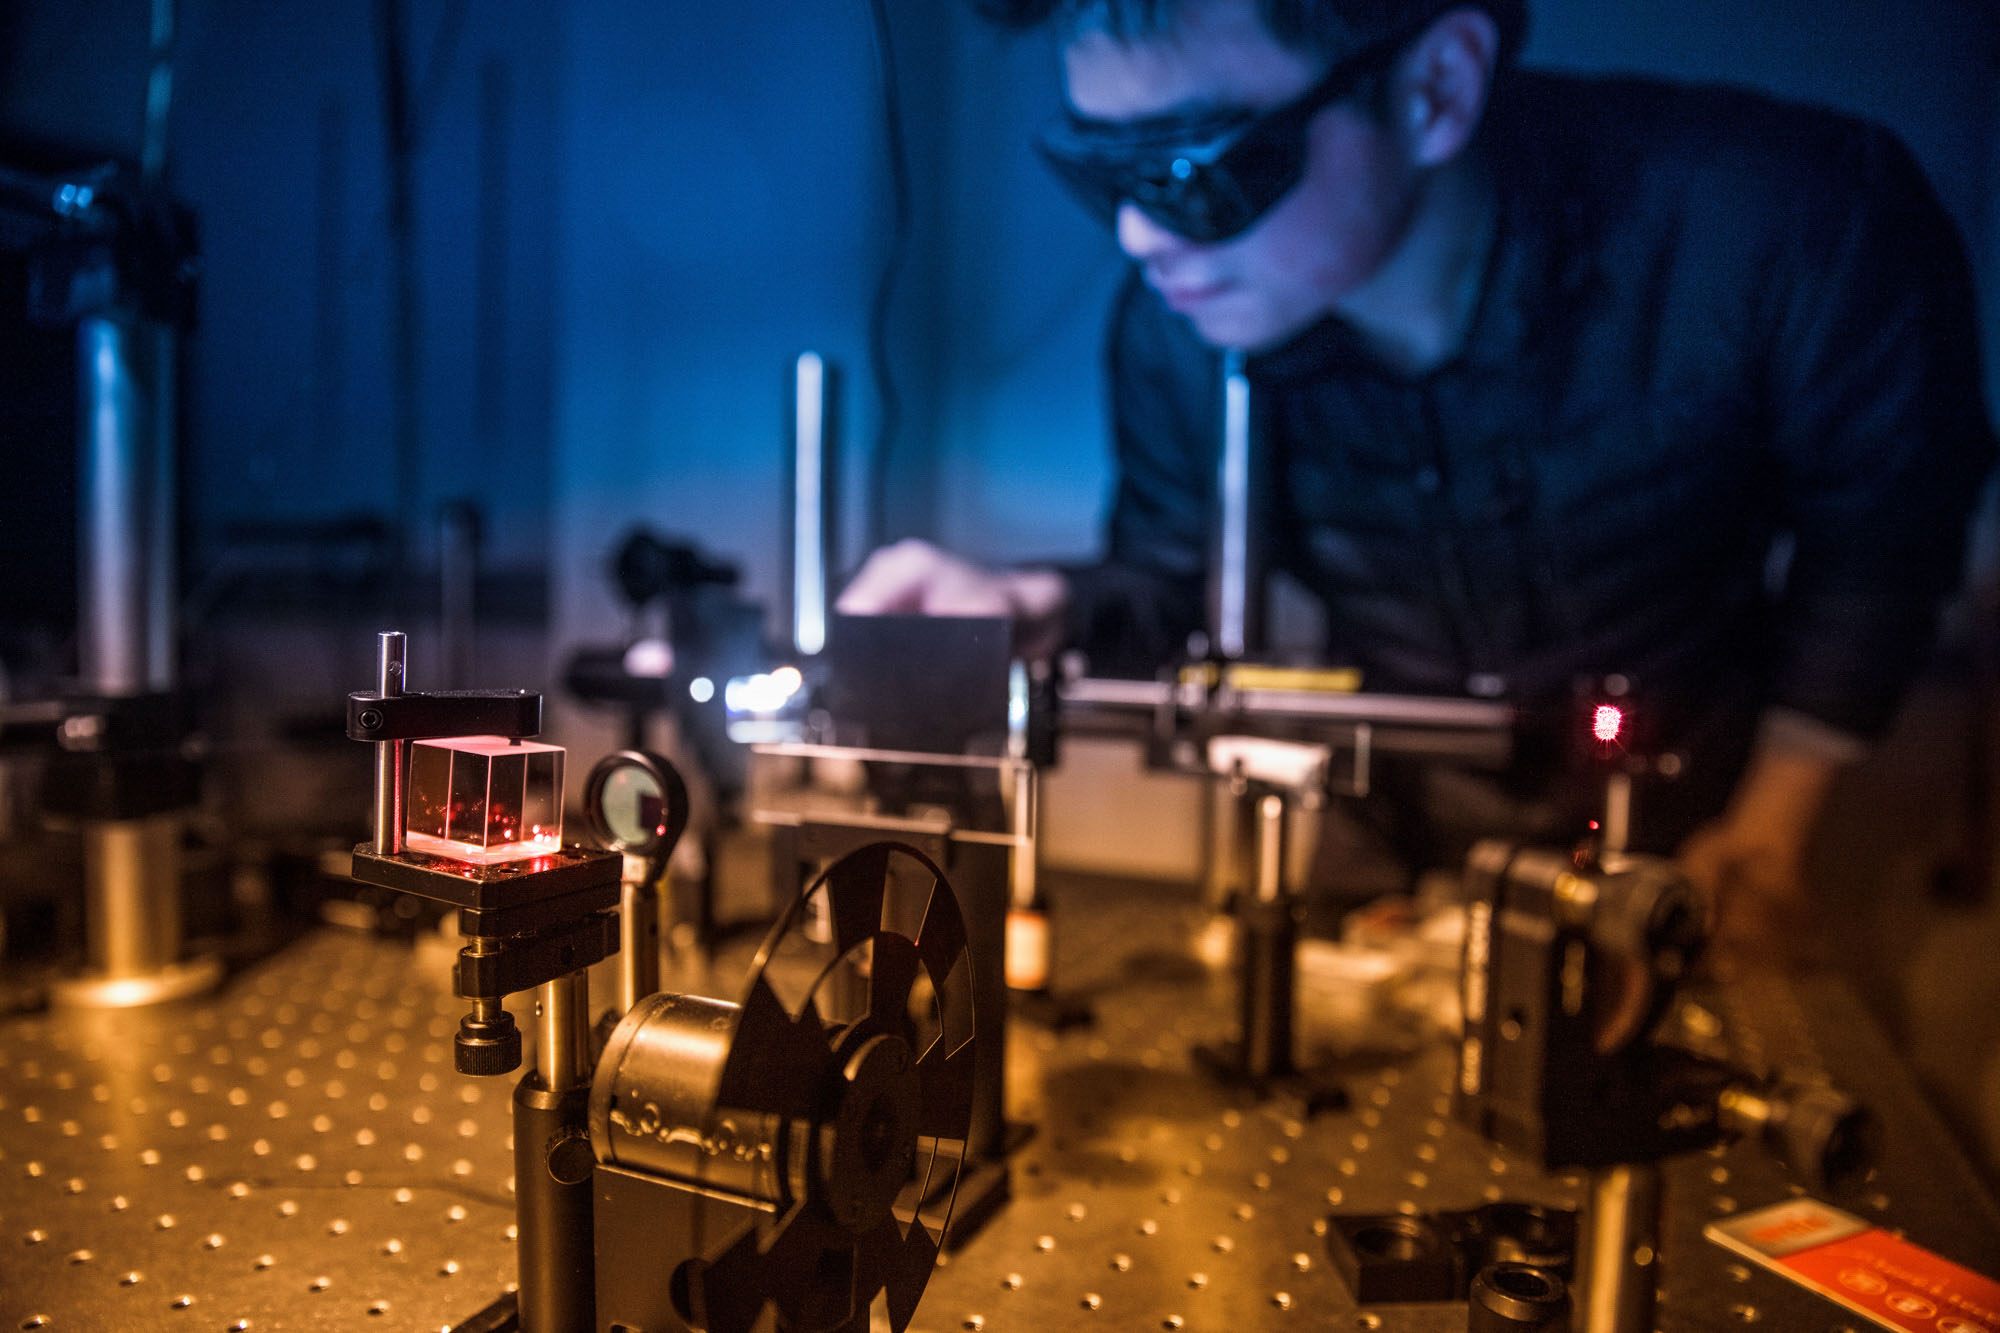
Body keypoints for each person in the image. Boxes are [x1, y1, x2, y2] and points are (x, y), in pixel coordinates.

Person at [838, 0, 1996, 963]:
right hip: (1388, 856)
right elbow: (1174, 579)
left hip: (1711, 825)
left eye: (1199, 167)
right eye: (1101, 173)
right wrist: (1036, 609)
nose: (1138, 236)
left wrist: (1772, 827)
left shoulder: (1784, 224)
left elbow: (1880, 539)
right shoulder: (1178, 334)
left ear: (1434, 86)